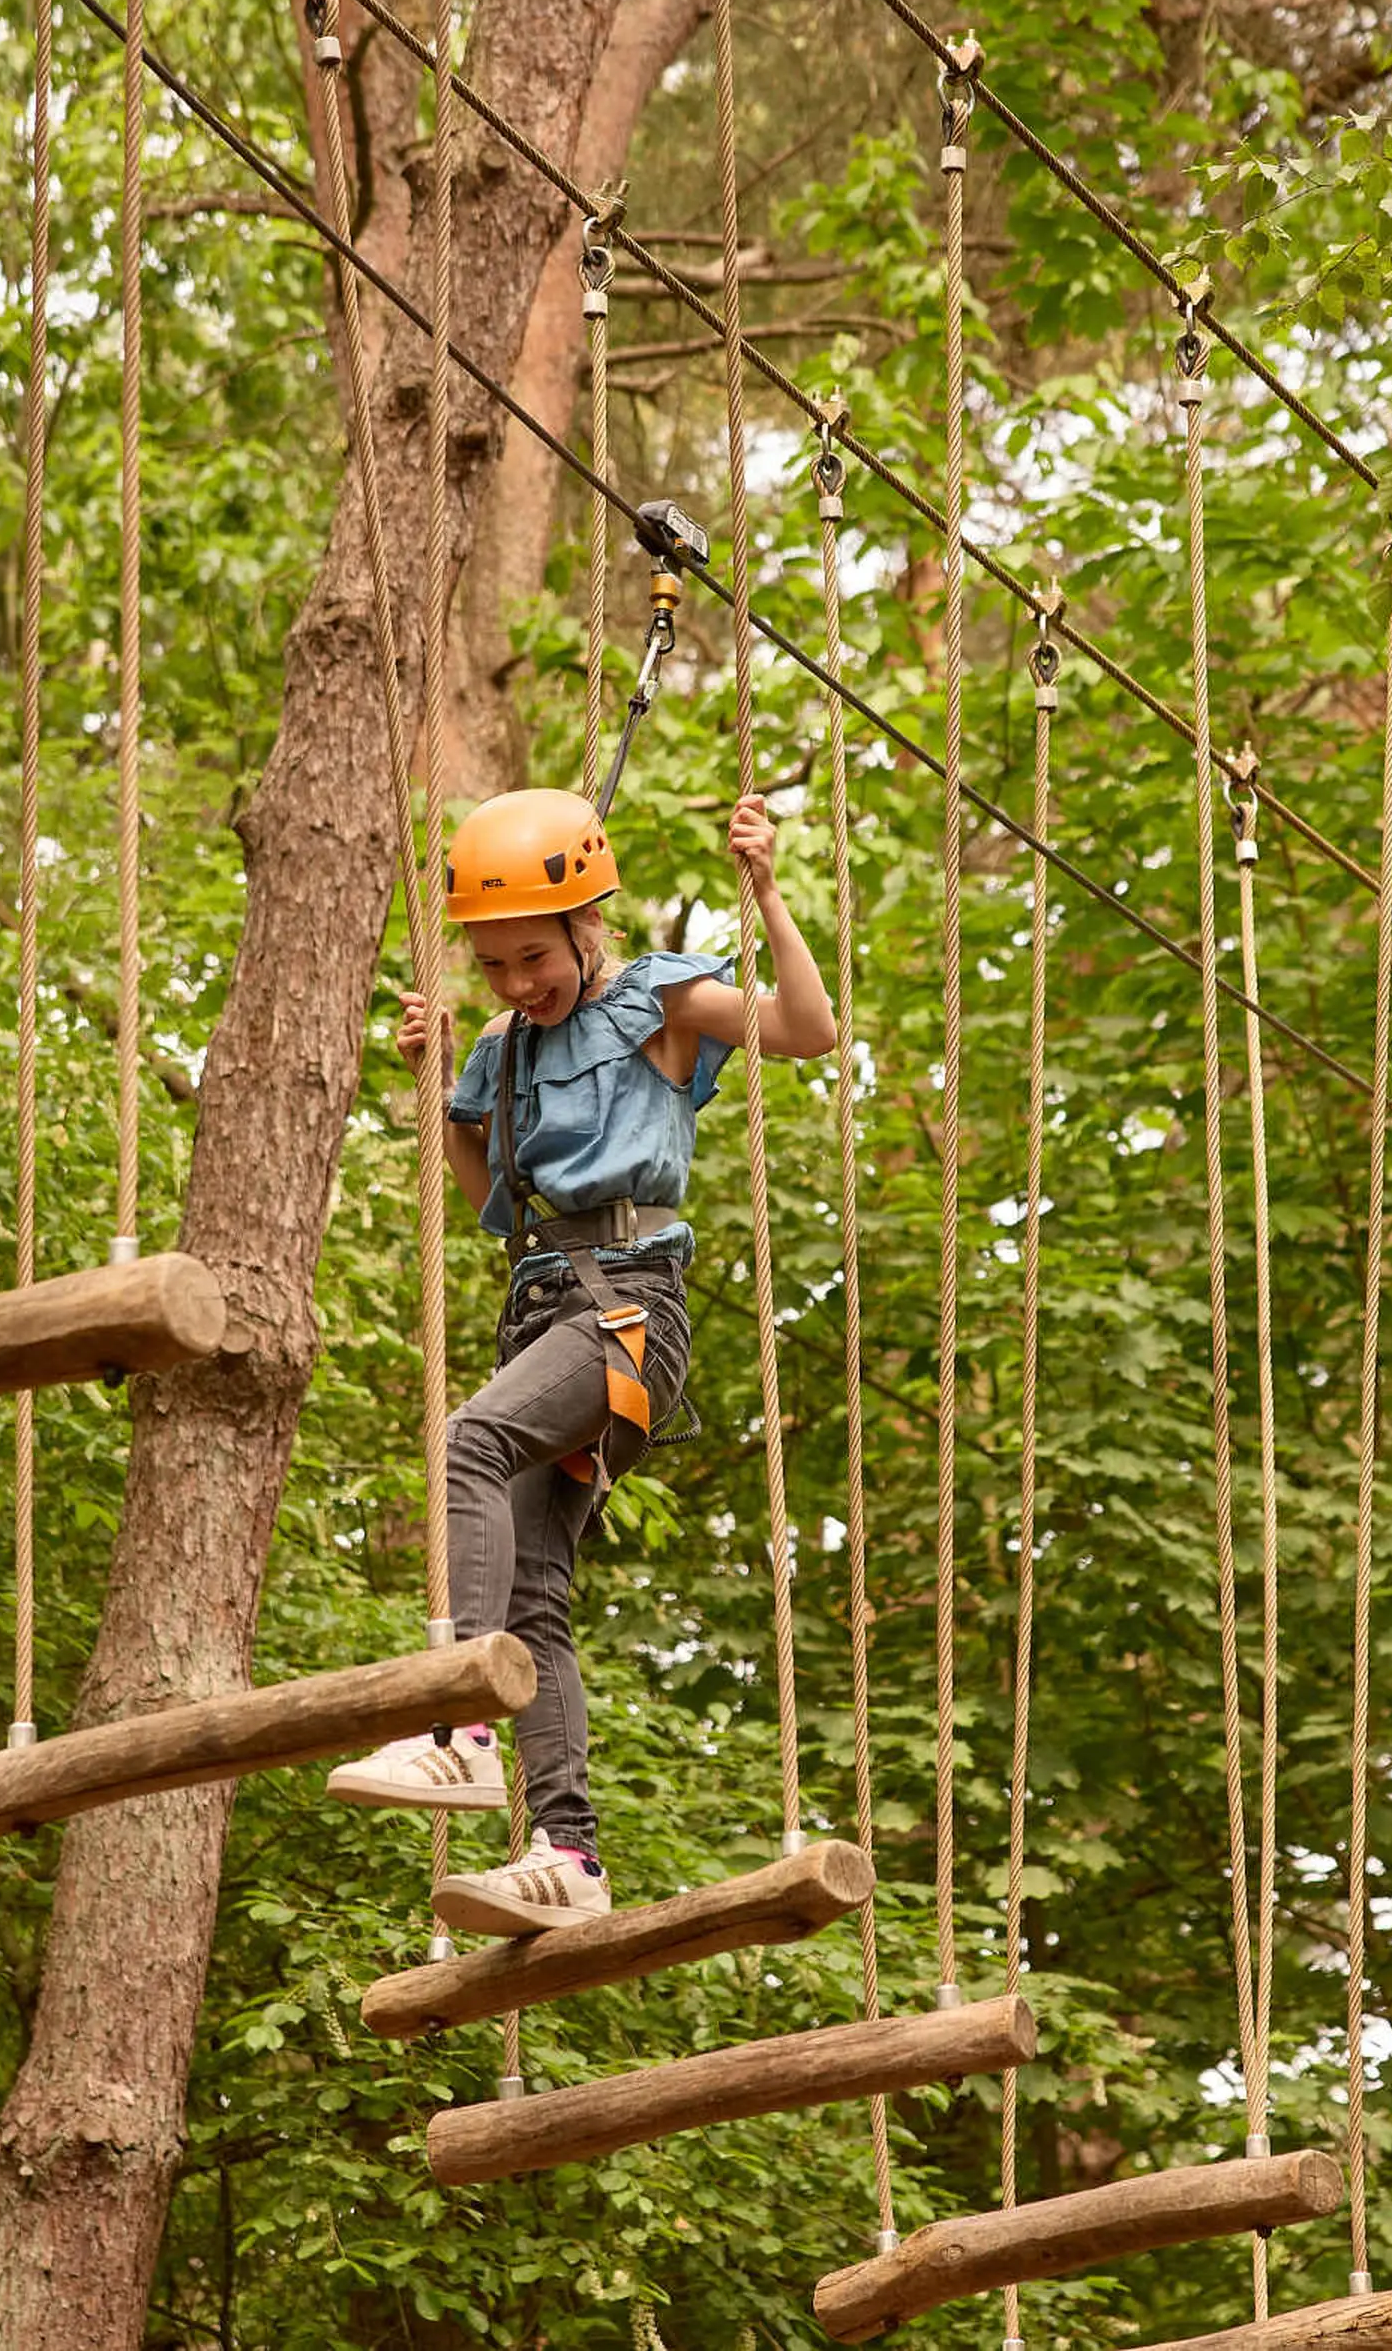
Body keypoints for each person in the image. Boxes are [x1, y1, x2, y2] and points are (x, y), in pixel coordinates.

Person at [327, 785, 837, 1937]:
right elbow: (496, 1211)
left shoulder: (659, 1001)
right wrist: (443, 1096)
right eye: (493, 964)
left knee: (469, 1437)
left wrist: (768, 891)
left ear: (581, 928)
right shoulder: (504, 1051)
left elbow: (810, 1031)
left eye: (532, 959)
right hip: (546, 1311)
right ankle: (568, 1853)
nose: (515, 985)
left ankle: (458, 1728)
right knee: (533, 1603)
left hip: (627, 1320)